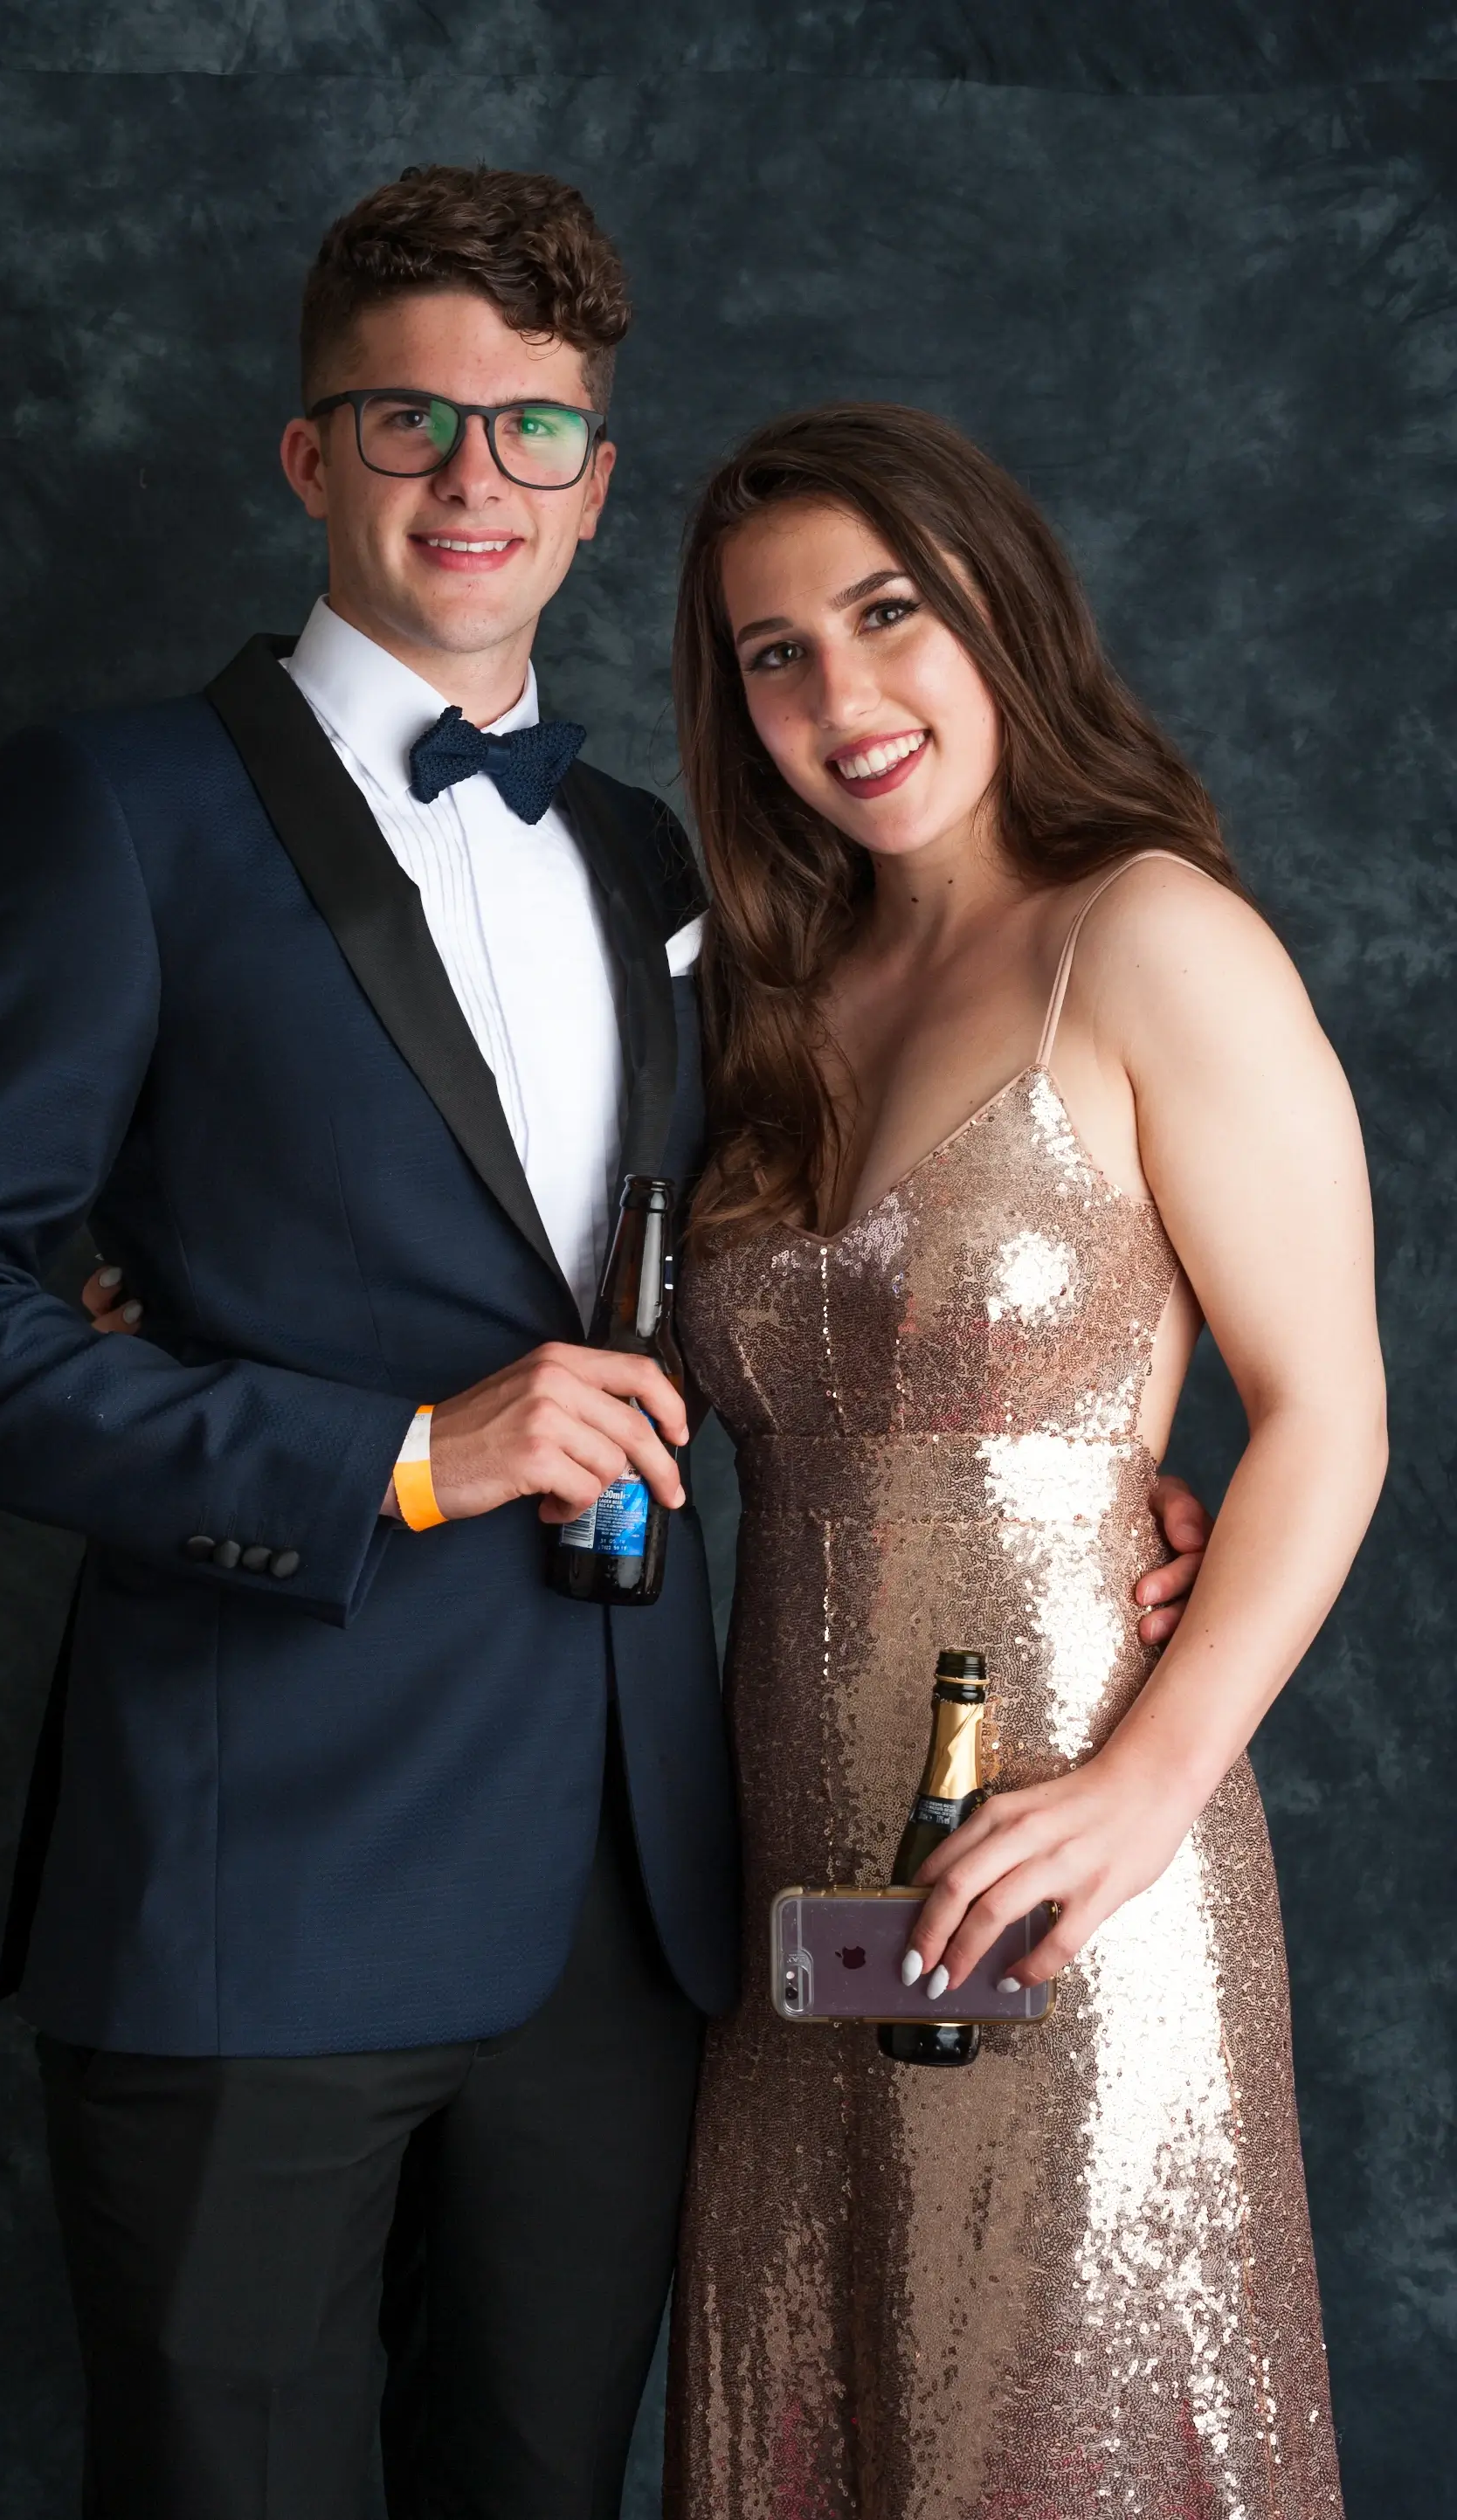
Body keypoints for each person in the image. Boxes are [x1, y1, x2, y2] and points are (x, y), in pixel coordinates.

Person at [0, 167, 1209, 2519]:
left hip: (634, 1905)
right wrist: (392, 1453)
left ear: (593, 483)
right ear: (307, 456)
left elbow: (874, 1241)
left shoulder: (672, 864)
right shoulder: (119, 808)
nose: (473, 481)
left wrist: (1099, 1460)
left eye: (532, 435)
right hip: (259, 1876)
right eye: (410, 422)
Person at [659, 404, 1385, 2517]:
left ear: (1003, 605)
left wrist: (1139, 1794)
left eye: (888, 613)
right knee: (818, 2428)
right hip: (787, 1870)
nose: (840, 696)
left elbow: (1328, 1410)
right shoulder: (783, 1000)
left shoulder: (1150, 932)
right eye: (773, 653)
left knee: (1048, 2437)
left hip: (1070, 1840)